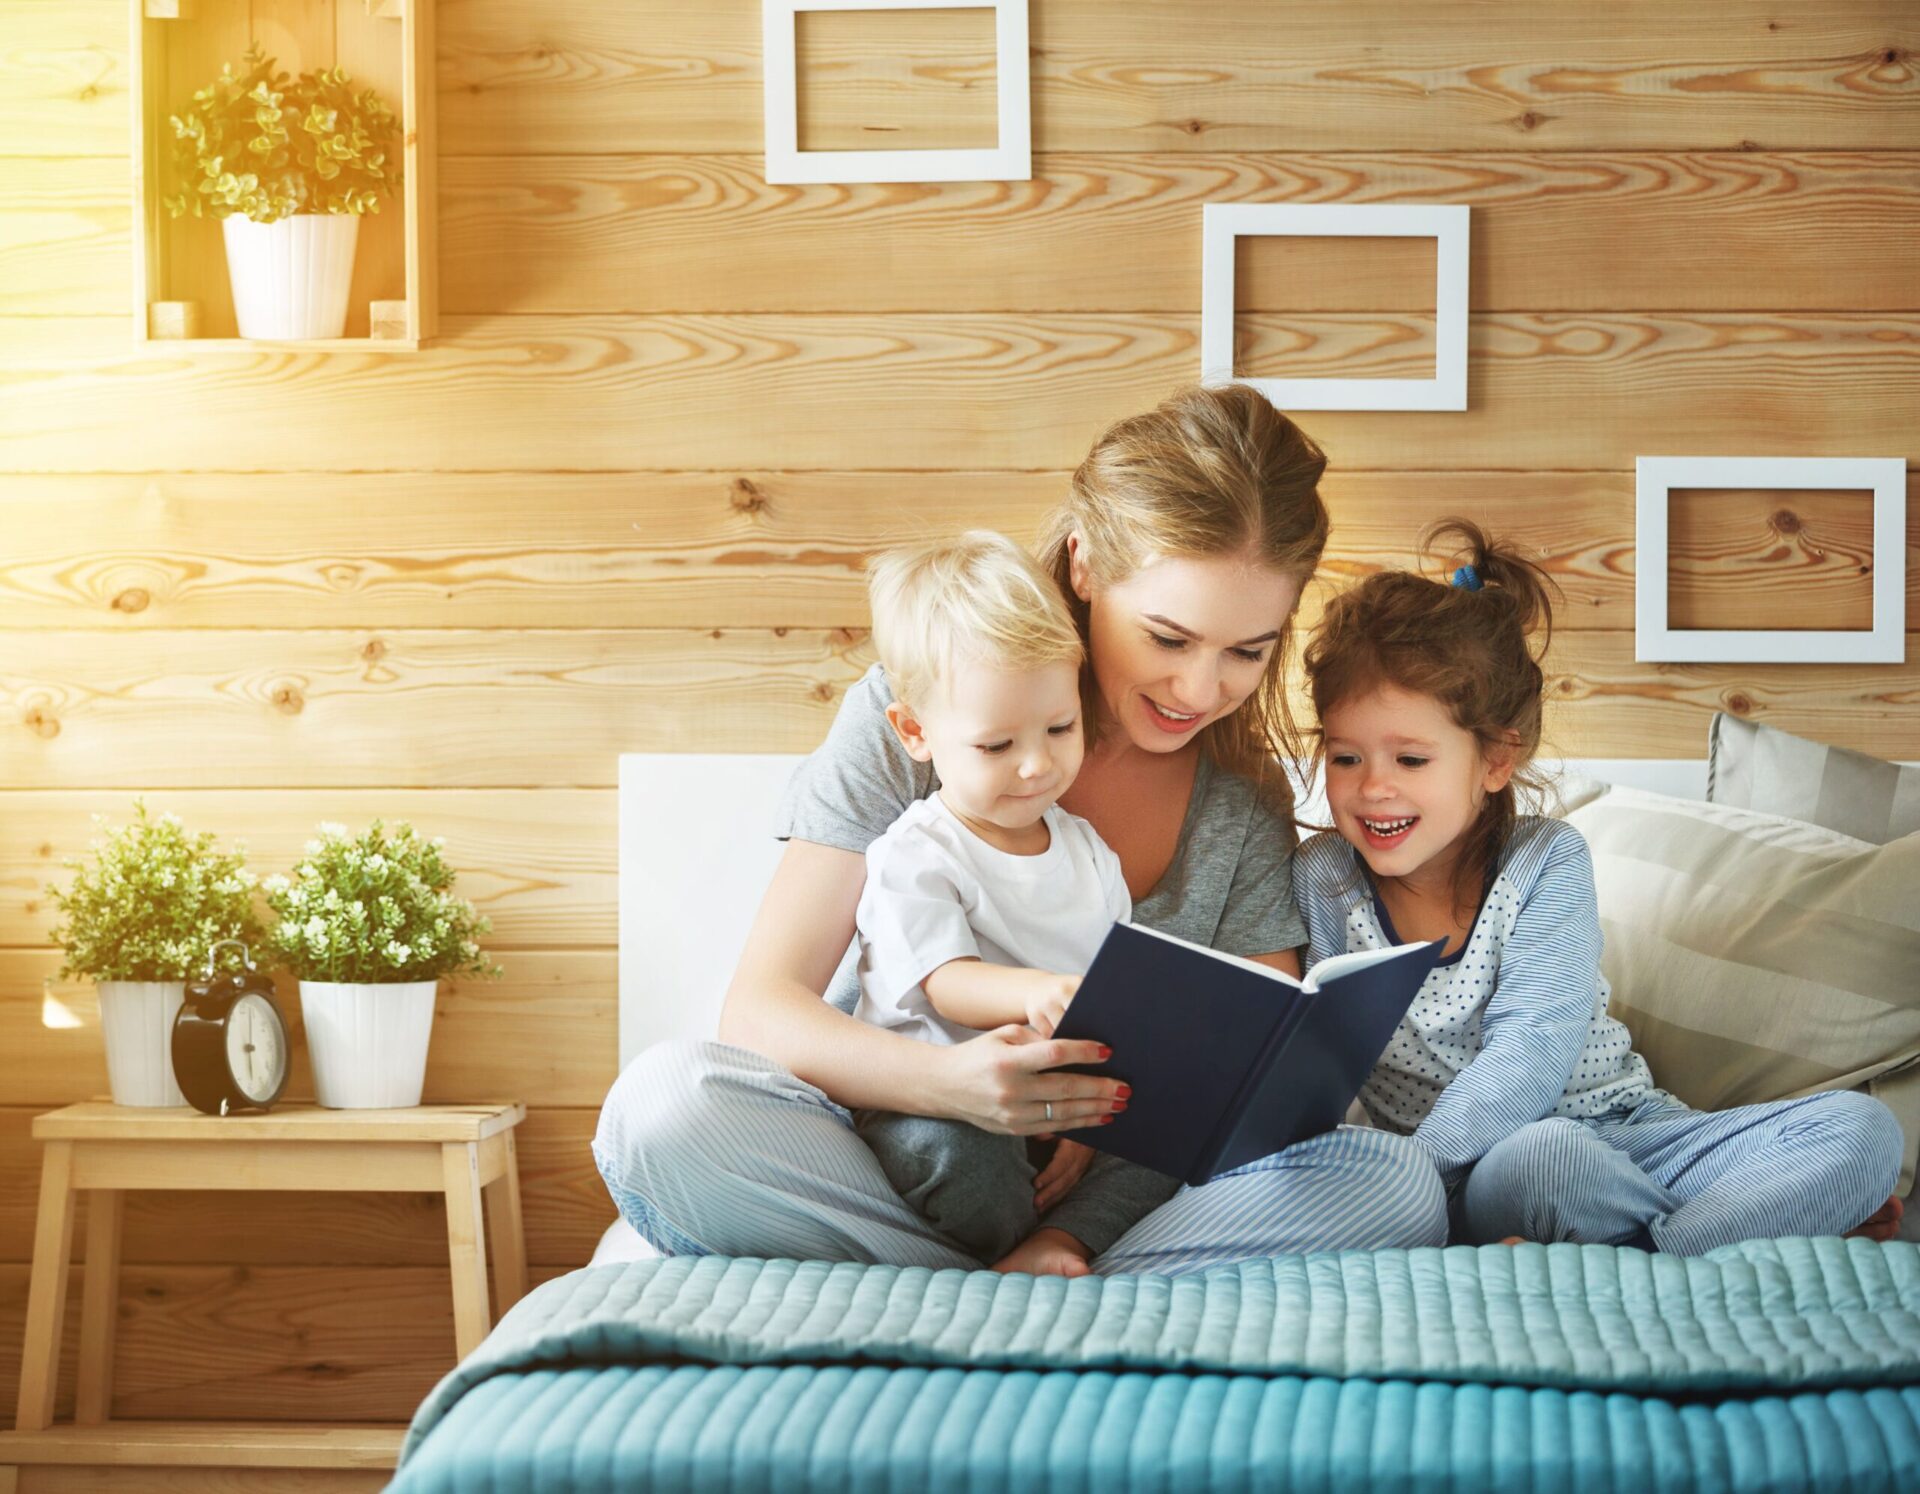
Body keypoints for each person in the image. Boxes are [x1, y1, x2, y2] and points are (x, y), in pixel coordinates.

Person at [593, 384, 1448, 1275]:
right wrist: (957, 1090)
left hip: (1110, 1212)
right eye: (1167, 637)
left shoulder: (1242, 801)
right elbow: (763, 1013)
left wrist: (1069, 1229)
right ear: (1084, 567)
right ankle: (986, 1287)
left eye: (1247, 651)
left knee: (1393, 1181)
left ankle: (1009, 1278)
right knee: (663, 1108)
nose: (1200, 691)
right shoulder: (921, 710)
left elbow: (1233, 1088)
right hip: (899, 1164)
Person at [1293, 518, 1906, 1252]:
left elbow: (1530, 1055)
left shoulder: (1546, 860)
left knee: (1864, 1133)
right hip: (1497, 1175)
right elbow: (1314, 1060)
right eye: (1346, 758)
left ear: (1494, 761)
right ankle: (1712, 1248)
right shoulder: (1323, 879)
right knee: (1544, 1158)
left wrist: (1411, 1170)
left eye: (1411, 760)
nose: (1373, 789)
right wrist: (1400, 1186)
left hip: (1640, 1137)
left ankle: (1645, 1254)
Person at [847, 530, 1175, 1277]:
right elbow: (944, 982)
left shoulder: (1087, 850)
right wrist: (1038, 993)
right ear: (915, 732)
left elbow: (1119, 999)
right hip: (939, 1105)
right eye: (996, 745)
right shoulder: (918, 851)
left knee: (1169, 1139)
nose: (1036, 764)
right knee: (958, 1158)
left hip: (1057, 1108)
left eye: (1059, 728)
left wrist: (1092, 1124)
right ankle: (978, 1259)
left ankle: (1052, 1237)